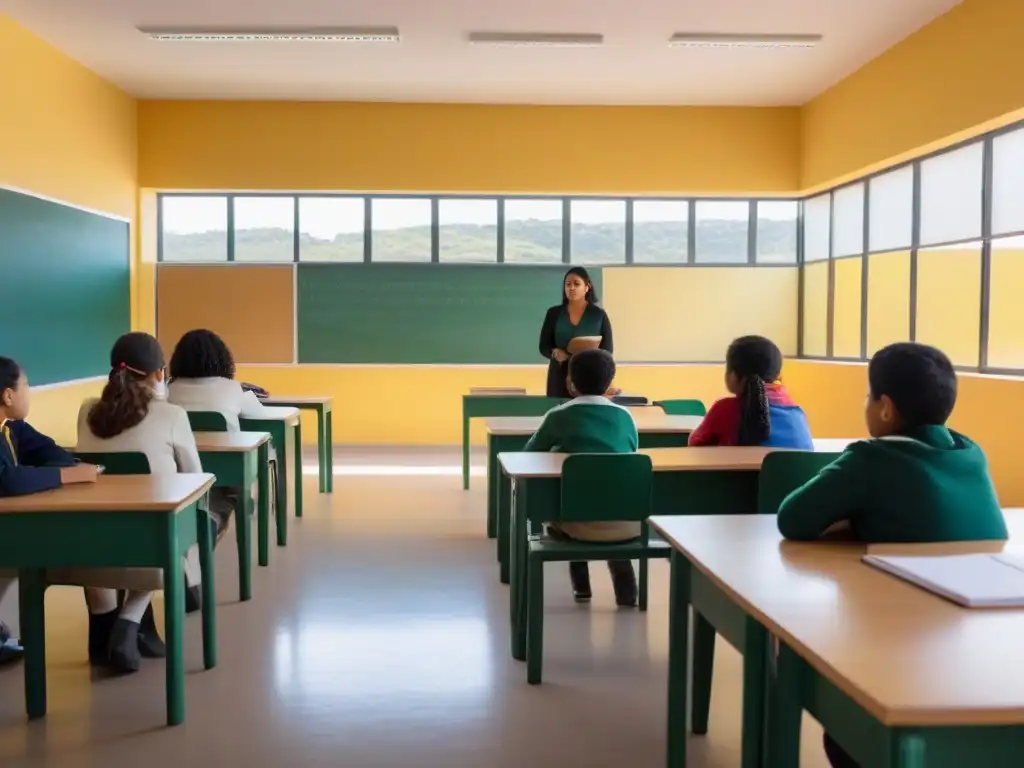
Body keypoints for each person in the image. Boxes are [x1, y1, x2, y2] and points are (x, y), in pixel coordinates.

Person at [776, 342, 1008, 768]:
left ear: (884, 408)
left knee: (838, 735)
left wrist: (850, 523)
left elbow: (793, 518)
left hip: (898, 650)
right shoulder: (970, 453)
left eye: (868, 396)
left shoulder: (872, 458)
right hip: (984, 652)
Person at [76, 332, 205, 673]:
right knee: (174, 531)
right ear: (160, 373)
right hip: (147, 541)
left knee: (112, 532)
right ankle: (129, 622)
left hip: (88, 534)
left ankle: (103, 630)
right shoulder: (172, 415)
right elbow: (195, 478)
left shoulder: (87, 411)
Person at [0, 356, 99, 666]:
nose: (29, 392)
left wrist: (67, 467)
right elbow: (7, 480)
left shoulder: (11, 428)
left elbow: (52, 452)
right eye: (27, 385)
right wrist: (66, 476)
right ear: (8, 395)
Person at [524, 349, 638, 606]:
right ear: (610, 385)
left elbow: (528, 456)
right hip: (628, 521)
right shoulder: (626, 417)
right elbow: (630, 453)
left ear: (569, 383)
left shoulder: (558, 416)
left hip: (574, 523)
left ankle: (582, 588)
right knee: (609, 498)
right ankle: (627, 593)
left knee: (575, 497)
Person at [167, 329, 269, 540]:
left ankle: (210, 516)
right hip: (226, 470)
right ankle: (230, 507)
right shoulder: (231, 388)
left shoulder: (169, 389)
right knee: (236, 484)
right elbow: (260, 415)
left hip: (181, 472)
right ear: (223, 358)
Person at [688, 335, 813, 449]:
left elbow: (695, 444)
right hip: (798, 474)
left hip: (738, 474)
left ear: (734, 376)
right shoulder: (796, 411)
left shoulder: (724, 409)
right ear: (778, 375)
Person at [538, 267, 614, 398]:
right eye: (568, 284)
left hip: (590, 376)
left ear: (587, 287)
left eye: (576, 284)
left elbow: (607, 349)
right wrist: (554, 352)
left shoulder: (599, 315)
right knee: (560, 413)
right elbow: (544, 346)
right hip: (560, 375)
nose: (571, 288)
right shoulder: (554, 313)